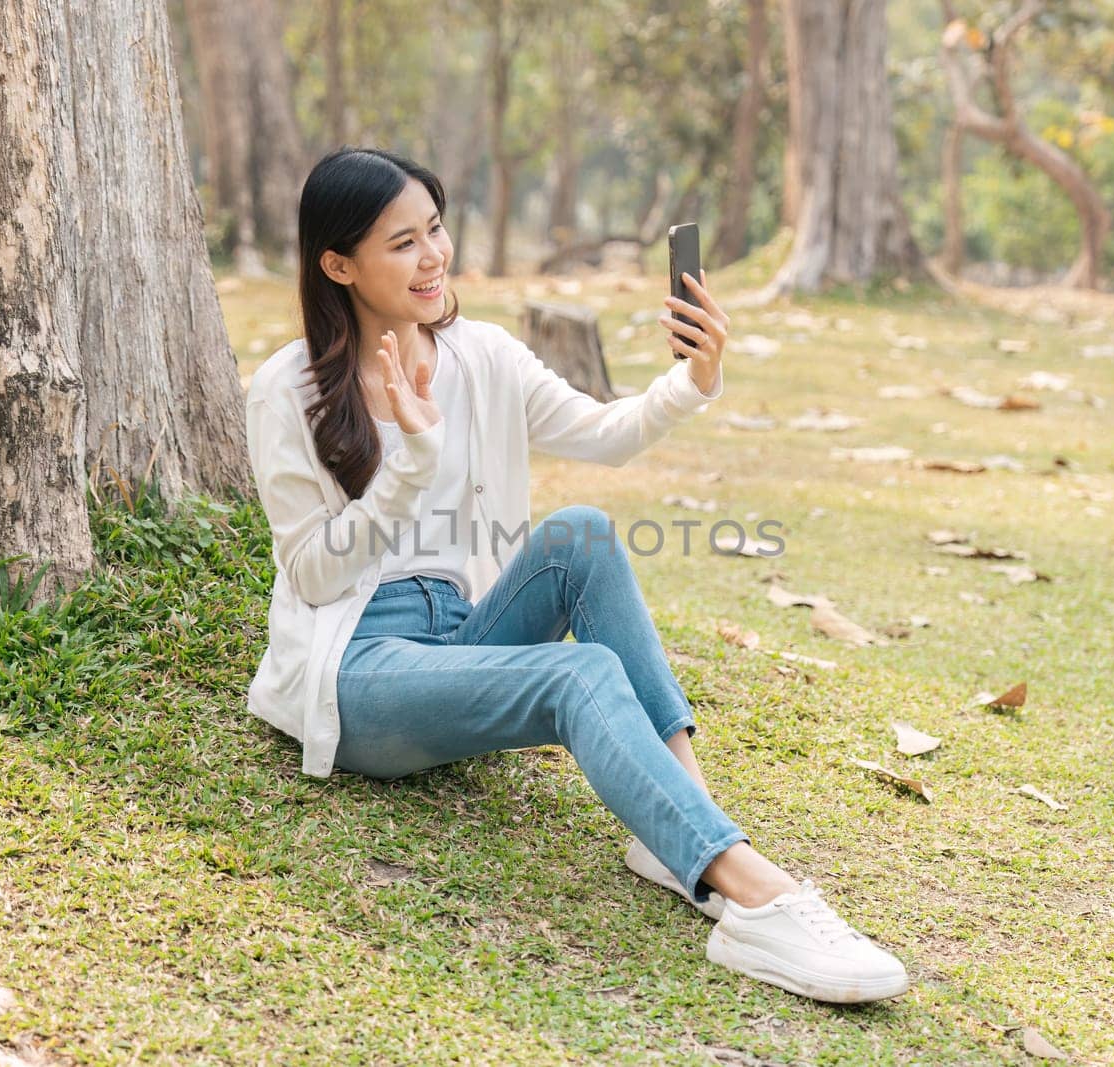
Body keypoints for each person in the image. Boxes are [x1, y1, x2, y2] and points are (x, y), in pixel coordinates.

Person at [245, 146, 909, 1004]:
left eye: (436, 228)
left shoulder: (481, 354)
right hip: (360, 671)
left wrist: (693, 377)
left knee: (582, 534)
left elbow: (606, 433)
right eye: (402, 243)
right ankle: (758, 898)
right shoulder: (285, 388)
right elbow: (312, 572)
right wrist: (411, 460)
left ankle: (678, 838)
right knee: (577, 671)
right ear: (340, 264)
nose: (434, 256)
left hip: (459, 631)